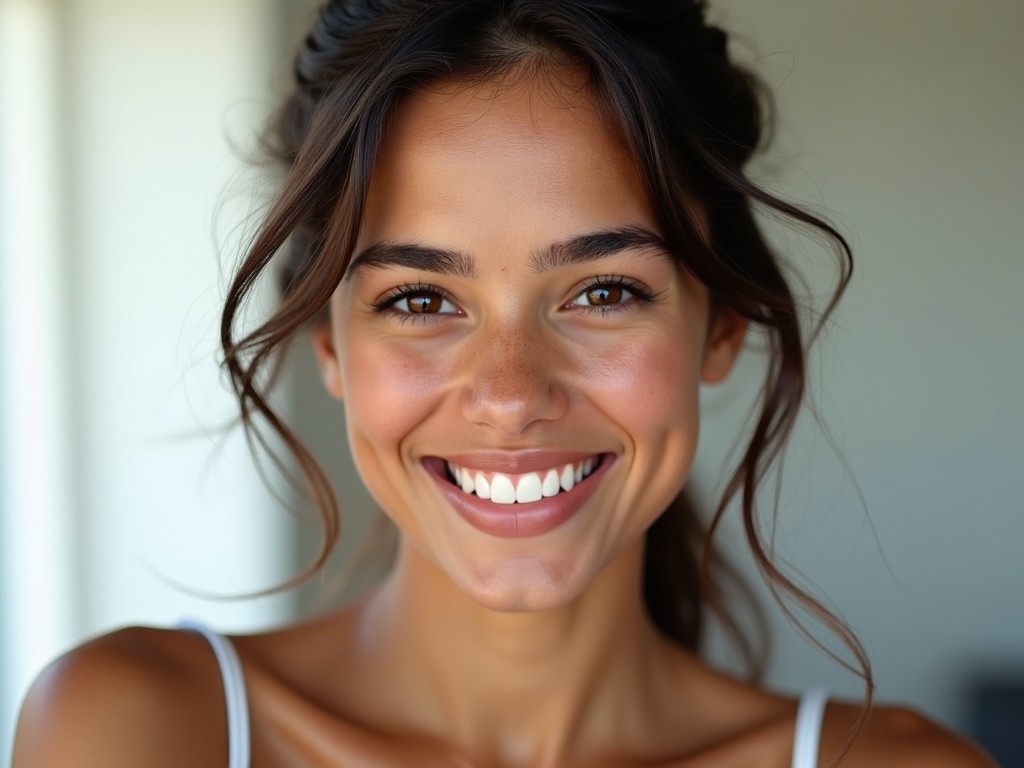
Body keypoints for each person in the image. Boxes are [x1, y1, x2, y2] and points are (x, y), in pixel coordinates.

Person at [12, 1, 992, 766]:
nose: (510, 392)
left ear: (720, 325)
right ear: (327, 342)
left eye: (603, 291)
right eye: (420, 301)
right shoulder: (139, 731)